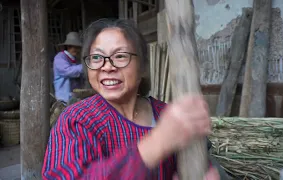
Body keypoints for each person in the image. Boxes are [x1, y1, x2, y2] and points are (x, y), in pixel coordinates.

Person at [42, 19, 227, 180]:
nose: (107, 66)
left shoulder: (167, 114)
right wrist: (157, 143)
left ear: (142, 66)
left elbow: (200, 164)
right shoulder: (76, 120)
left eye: (120, 56)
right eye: (97, 57)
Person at [53, 32, 84, 104]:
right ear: (68, 46)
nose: (77, 50)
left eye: (78, 47)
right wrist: (85, 66)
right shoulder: (60, 57)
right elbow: (67, 71)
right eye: (74, 47)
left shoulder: (76, 59)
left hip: (75, 97)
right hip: (64, 99)